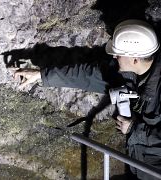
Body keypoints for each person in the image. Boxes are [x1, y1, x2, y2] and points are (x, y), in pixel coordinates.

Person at [12, 19, 161, 180]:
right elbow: (88, 76)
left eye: (118, 53)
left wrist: (134, 129)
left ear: (135, 59)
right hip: (140, 163)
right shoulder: (129, 71)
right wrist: (41, 75)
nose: (114, 55)